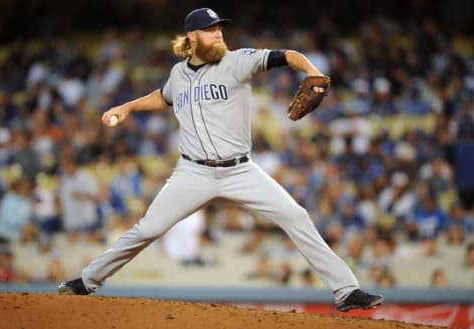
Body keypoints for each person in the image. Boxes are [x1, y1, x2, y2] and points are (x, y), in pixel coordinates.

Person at [58, 7, 384, 312]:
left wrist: (312, 70)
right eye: (210, 30)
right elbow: (164, 96)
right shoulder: (178, 74)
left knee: (295, 216)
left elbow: (288, 56)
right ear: (192, 37)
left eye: (219, 29)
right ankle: (87, 281)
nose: (218, 34)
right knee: (147, 230)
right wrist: (126, 107)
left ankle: (345, 290)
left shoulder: (237, 61)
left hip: (241, 170)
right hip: (192, 173)